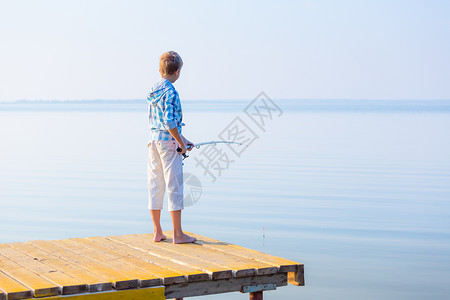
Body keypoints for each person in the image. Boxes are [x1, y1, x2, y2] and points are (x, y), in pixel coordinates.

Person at [146, 51, 196, 244]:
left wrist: (183, 139)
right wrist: (181, 144)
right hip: (168, 145)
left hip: (154, 142)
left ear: (160, 70)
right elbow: (169, 122)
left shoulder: (153, 91)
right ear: (177, 71)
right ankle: (178, 234)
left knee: (155, 185)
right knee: (174, 186)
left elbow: (163, 124)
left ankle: (157, 232)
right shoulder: (171, 92)